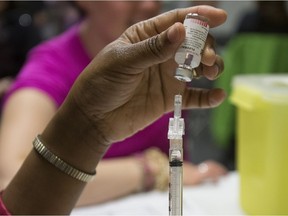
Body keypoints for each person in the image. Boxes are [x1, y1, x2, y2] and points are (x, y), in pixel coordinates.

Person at [0, 5, 227, 215]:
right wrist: (151, 170)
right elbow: (10, 178)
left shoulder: (164, 74)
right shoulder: (48, 69)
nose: (149, 5)